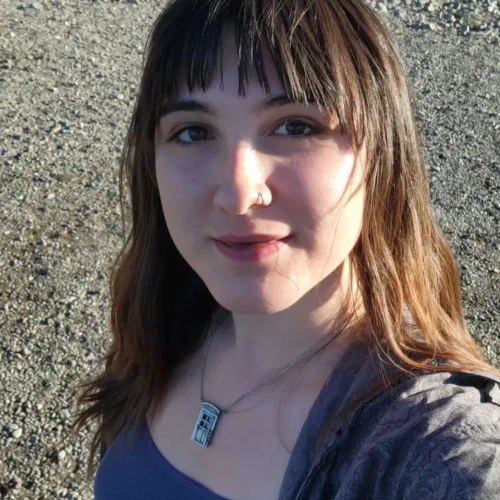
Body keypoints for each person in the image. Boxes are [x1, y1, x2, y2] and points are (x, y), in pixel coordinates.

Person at [68, 0, 500, 498]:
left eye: (296, 126)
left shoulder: (430, 442)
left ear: (383, 154)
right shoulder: (163, 326)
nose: (237, 193)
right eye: (193, 131)